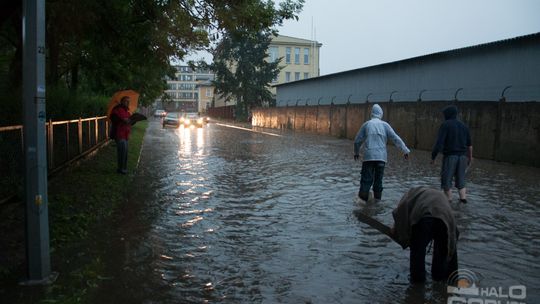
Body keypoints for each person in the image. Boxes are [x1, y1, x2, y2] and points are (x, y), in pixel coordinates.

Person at [391, 187, 459, 283]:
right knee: (443, 253)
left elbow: (399, 213)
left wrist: (398, 231)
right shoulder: (430, 193)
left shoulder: (408, 195)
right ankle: (443, 283)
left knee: (417, 253)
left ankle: (417, 288)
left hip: (425, 218)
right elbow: (454, 234)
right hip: (446, 220)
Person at [353, 104, 410, 201]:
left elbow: (357, 141)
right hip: (381, 158)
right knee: (378, 182)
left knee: (366, 181)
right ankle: (377, 206)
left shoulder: (366, 125)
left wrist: (356, 152)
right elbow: (395, 138)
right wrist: (405, 150)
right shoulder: (385, 125)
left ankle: (362, 208)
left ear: (372, 113)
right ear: (381, 114)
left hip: (368, 158)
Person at [431, 105, 473, 203]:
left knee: (446, 181)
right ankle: (463, 201)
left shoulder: (445, 125)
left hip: (450, 157)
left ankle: (448, 203)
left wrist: (433, 157)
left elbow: (439, 143)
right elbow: (469, 145)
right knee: (461, 181)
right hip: (463, 157)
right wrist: (470, 158)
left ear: (447, 115)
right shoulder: (464, 126)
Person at [110, 96, 132, 174]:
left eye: (129, 101)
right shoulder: (116, 110)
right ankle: (120, 169)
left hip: (126, 135)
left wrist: (132, 120)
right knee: (121, 152)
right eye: (126, 101)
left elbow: (130, 122)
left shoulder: (127, 111)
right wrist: (122, 120)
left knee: (125, 153)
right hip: (119, 134)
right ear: (122, 101)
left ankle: (124, 168)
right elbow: (113, 119)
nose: (128, 103)